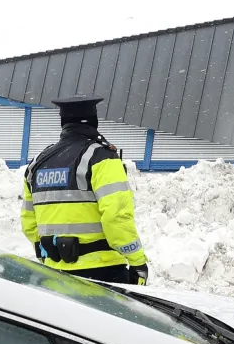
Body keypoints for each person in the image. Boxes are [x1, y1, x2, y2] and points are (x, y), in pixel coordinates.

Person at [21, 96, 148, 284]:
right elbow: (116, 216)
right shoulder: (101, 157)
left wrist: (49, 253)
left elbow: (29, 222)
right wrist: (137, 261)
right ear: (94, 122)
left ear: (63, 123)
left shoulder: (38, 163)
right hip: (101, 274)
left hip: (53, 273)